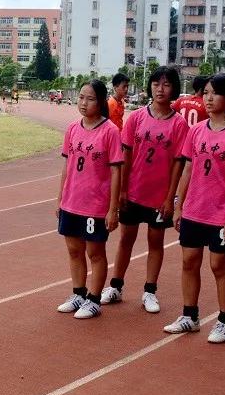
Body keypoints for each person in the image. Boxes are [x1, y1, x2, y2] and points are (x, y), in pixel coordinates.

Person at [168, 73, 225, 342]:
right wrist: (178, 205)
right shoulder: (196, 131)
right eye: (205, 92)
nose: (208, 97)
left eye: (215, 93)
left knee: (219, 266)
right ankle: (189, 316)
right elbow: (188, 169)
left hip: (221, 213)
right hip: (194, 208)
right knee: (189, 262)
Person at [102, 66, 188, 314]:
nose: (160, 89)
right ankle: (116, 286)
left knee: (155, 242)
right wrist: (122, 190)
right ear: (150, 86)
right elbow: (125, 156)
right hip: (133, 192)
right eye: (156, 84)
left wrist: (170, 197)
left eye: (166, 84)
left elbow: (178, 165)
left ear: (174, 89)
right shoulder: (137, 117)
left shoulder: (179, 125)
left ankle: (150, 291)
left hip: (158, 197)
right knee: (125, 239)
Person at [55, 79, 122, 320]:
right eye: (81, 97)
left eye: (90, 98)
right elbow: (67, 165)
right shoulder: (73, 128)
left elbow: (116, 171)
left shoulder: (110, 131)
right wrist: (60, 198)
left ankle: (94, 299)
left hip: (95, 205)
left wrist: (112, 209)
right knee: (74, 250)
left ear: (101, 101)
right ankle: (79, 293)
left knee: (95, 252)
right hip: (71, 202)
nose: (83, 103)